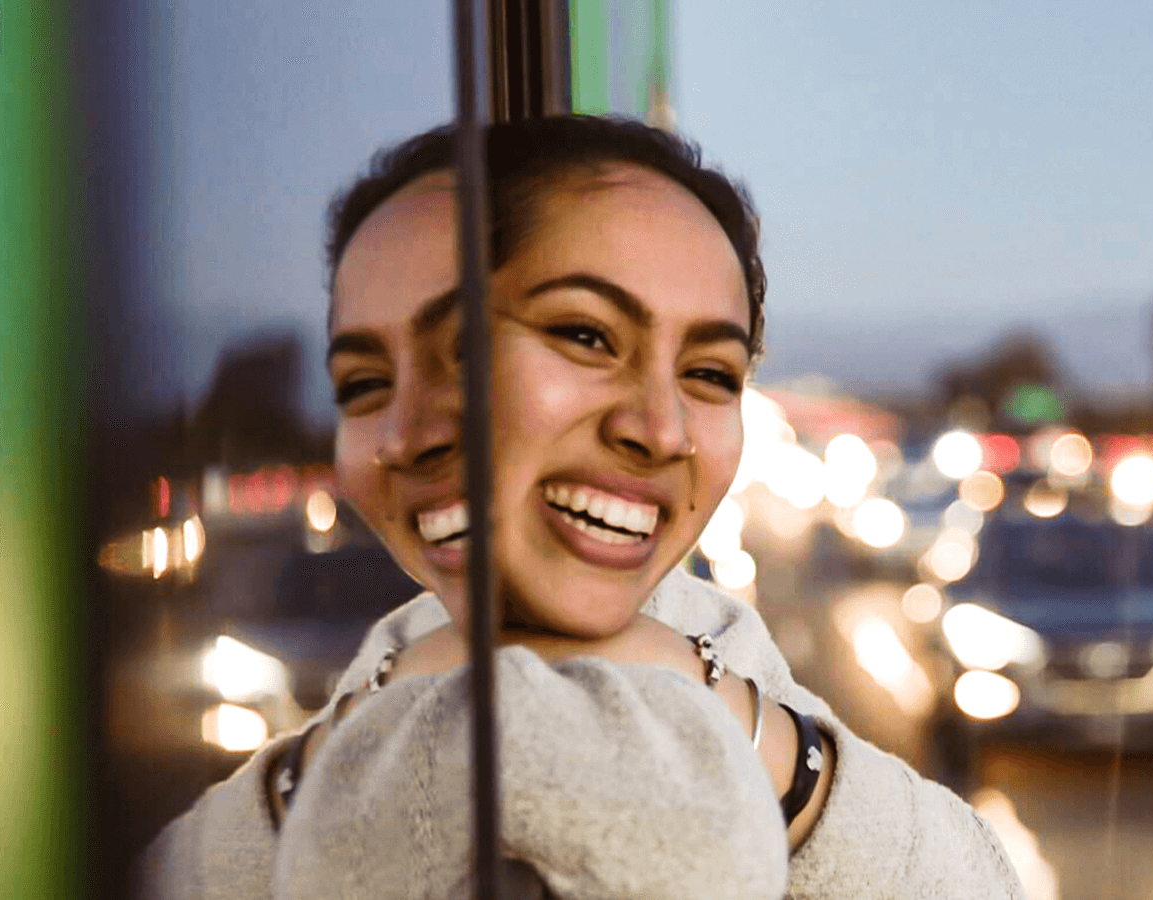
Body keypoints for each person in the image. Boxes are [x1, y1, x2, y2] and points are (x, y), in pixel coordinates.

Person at [138, 115, 1026, 900]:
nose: (662, 430)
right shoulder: (386, 685)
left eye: (710, 374)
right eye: (363, 384)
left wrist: (738, 734)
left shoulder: (737, 694)